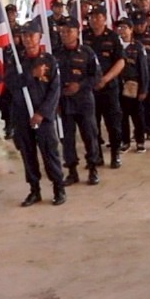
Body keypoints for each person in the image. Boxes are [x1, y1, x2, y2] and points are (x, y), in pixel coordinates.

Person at [10, 21, 66, 207]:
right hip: (22, 116)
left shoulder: (49, 61)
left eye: (31, 35)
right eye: (24, 35)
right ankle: (34, 190)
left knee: (50, 154)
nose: (28, 39)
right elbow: (11, 84)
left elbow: (54, 90)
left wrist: (41, 113)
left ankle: (59, 188)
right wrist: (31, 74)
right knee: (28, 154)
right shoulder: (16, 60)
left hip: (44, 117)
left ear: (39, 37)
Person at [56, 17, 103, 186]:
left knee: (89, 136)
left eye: (69, 31)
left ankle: (92, 169)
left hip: (84, 101)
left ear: (77, 32)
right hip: (65, 103)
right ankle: (72, 171)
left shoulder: (87, 52)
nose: (65, 35)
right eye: (62, 32)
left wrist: (80, 85)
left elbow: (96, 76)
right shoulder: (56, 54)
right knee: (67, 139)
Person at [83, 8, 126, 168]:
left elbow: (121, 61)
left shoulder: (113, 37)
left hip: (109, 88)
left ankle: (115, 154)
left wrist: (105, 79)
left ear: (104, 18)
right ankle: (96, 156)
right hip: (89, 89)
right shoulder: (84, 37)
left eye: (98, 17)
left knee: (113, 123)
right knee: (92, 125)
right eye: (91, 17)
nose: (94, 20)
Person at [114, 19, 149, 154]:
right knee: (122, 116)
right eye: (120, 28)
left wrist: (144, 89)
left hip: (134, 85)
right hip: (118, 86)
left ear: (131, 29)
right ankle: (125, 141)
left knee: (137, 115)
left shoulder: (138, 47)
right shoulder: (116, 46)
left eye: (124, 27)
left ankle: (140, 141)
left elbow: (143, 69)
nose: (122, 31)